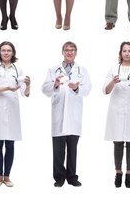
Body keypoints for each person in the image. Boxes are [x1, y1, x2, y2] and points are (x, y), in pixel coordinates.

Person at [41, 41, 91, 187]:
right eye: (67, 50)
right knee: (58, 150)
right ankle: (59, 177)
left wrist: (76, 88)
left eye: (72, 50)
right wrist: (55, 84)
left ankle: (72, 177)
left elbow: (87, 89)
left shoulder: (82, 70)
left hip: (74, 115)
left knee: (72, 149)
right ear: (62, 52)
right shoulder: (53, 70)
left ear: (76, 52)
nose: (69, 52)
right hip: (59, 114)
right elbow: (45, 89)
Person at [103, 41, 130, 188]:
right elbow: (105, 90)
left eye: (129, 51)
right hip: (116, 110)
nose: (127, 53)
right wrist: (113, 83)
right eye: (124, 51)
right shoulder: (114, 69)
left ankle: (129, 174)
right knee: (118, 142)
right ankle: (118, 173)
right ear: (120, 53)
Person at [0, 41, 29, 187]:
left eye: (9, 50)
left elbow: (25, 93)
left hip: (12, 110)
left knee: (10, 144)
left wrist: (28, 85)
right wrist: (7, 88)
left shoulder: (18, 69)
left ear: (13, 53)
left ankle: (7, 176)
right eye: (3, 50)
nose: (6, 53)